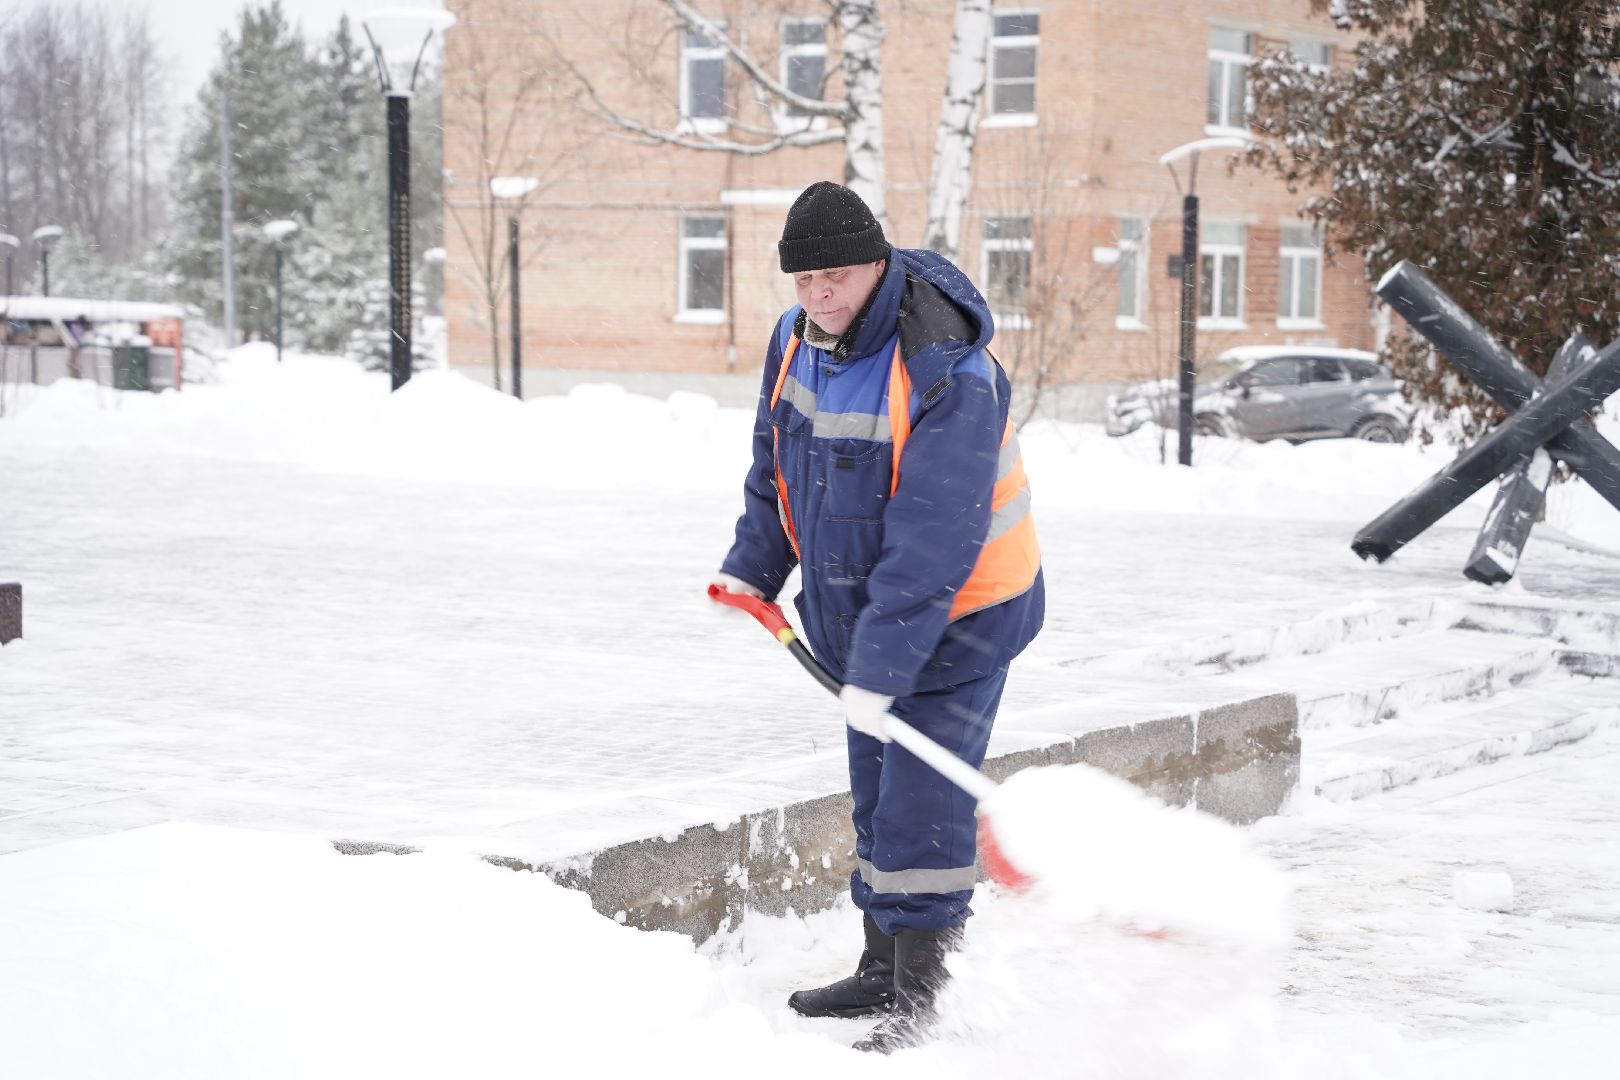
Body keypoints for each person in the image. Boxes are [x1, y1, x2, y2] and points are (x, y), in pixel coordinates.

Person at [709, 180, 1044, 1053]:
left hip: (964, 616)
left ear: (880, 264)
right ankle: (881, 967)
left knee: (922, 811)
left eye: (839, 276)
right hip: (865, 622)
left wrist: (882, 669)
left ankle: (924, 997)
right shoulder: (796, 341)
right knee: (877, 796)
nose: (820, 295)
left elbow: (935, 539)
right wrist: (755, 565)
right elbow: (775, 467)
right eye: (804, 279)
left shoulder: (945, 368)